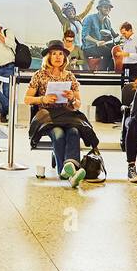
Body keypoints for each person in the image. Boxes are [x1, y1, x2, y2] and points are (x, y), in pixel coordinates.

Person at [24, 39, 89, 188]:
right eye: (54, 54)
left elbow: (78, 104)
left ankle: (69, 169)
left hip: (67, 115)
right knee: (59, 133)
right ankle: (66, 173)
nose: (58, 57)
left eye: (60, 54)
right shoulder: (39, 75)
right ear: (48, 57)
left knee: (73, 131)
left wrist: (72, 97)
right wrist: (43, 98)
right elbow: (27, 99)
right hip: (48, 117)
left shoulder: (70, 76)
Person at [80, 0, 119, 70]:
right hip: (89, 47)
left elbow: (113, 34)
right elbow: (85, 36)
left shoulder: (107, 21)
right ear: (99, 8)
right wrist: (97, 41)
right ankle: (103, 72)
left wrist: (123, 37)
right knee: (109, 52)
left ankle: (111, 71)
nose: (108, 9)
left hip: (101, 47)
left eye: (109, 8)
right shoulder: (89, 18)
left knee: (116, 51)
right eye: (105, 7)